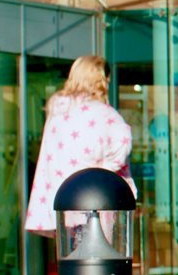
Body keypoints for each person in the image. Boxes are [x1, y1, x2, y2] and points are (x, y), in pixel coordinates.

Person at [26, 55, 134, 240]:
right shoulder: (103, 113)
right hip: (96, 198)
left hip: (62, 199)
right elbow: (122, 142)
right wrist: (104, 170)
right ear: (100, 79)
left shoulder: (58, 111)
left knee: (69, 258)